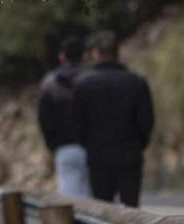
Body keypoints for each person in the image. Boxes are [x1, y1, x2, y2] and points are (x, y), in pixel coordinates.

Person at [72, 31, 154, 207]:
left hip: (98, 157)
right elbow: (146, 121)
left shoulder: (83, 85)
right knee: (132, 212)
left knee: (104, 212)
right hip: (130, 154)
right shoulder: (136, 82)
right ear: (119, 53)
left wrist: (89, 145)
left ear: (95, 54)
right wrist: (138, 144)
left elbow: (77, 125)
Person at [37, 36, 92, 198]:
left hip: (64, 148)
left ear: (62, 56)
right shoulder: (93, 79)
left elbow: (44, 118)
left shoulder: (49, 83)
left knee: (70, 201)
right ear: (84, 56)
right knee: (96, 205)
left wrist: (52, 144)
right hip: (93, 148)